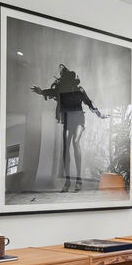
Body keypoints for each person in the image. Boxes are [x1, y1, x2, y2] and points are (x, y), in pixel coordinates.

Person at [31, 64, 105, 192]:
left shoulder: (79, 90)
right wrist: (40, 91)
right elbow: (49, 91)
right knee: (65, 147)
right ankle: (68, 181)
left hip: (79, 119)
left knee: (76, 142)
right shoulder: (60, 90)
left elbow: (89, 103)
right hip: (67, 120)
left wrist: (99, 113)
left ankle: (78, 180)